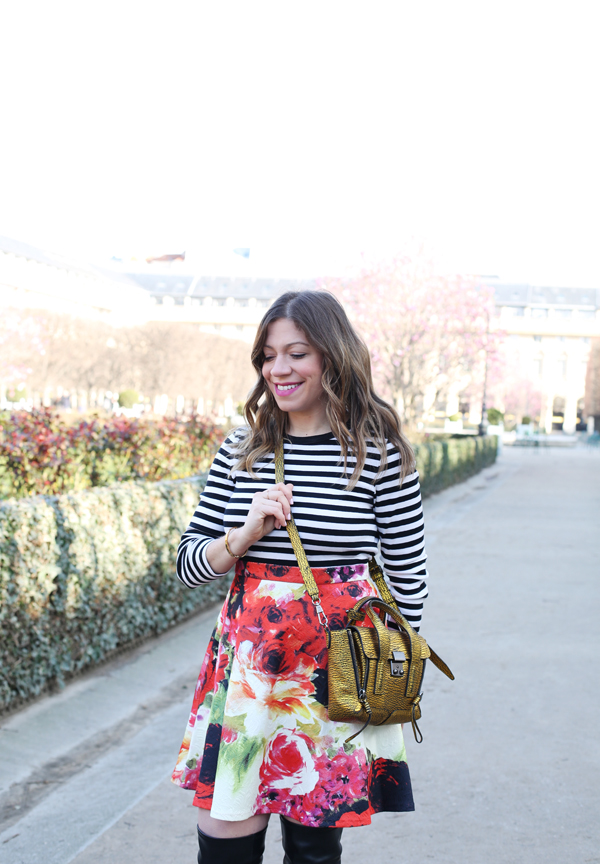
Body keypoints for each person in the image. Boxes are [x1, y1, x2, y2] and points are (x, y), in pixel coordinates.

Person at [171, 290, 428, 864]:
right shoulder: (243, 450)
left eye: (296, 353)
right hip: (250, 676)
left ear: (332, 358)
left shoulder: (378, 455)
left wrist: (390, 674)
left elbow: (408, 576)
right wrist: (242, 536)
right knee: (224, 837)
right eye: (268, 356)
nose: (279, 369)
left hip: (335, 671)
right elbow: (188, 564)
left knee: (313, 848)